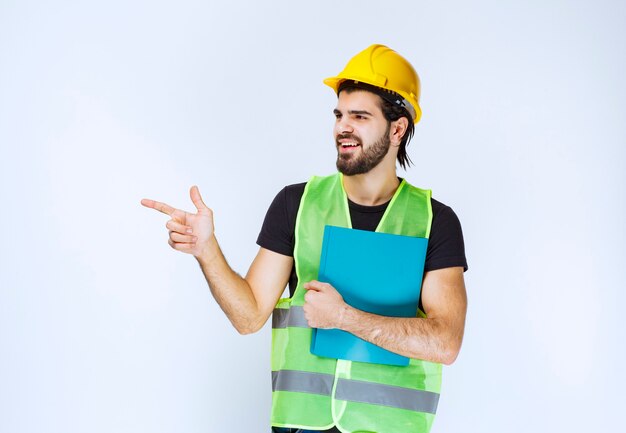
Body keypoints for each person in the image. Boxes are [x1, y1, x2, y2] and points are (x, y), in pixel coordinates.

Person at [142, 44, 468, 433]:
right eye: (339, 115)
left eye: (359, 116)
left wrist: (344, 318)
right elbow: (249, 317)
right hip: (301, 426)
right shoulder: (296, 204)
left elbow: (445, 342)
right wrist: (207, 251)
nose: (342, 127)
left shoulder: (435, 221)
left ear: (397, 128)